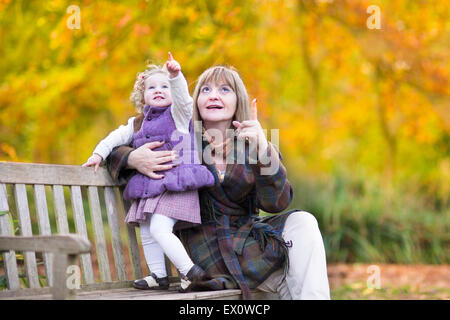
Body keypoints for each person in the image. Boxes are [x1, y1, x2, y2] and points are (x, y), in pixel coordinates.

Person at [106, 65, 331, 300]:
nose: (214, 95)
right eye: (205, 89)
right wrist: (132, 158)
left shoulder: (252, 143)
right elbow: (118, 144)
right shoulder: (179, 137)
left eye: (225, 89)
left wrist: (263, 148)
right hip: (209, 258)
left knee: (303, 222)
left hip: (255, 253)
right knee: (293, 286)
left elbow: (277, 203)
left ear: (238, 101)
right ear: (195, 101)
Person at [83, 53, 215, 292]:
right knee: (146, 228)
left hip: (177, 185)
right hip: (152, 189)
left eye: (165, 86)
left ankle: (191, 272)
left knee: (158, 228)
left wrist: (175, 77)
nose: (159, 90)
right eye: (152, 87)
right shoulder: (137, 123)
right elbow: (114, 138)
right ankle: (158, 275)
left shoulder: (179, 115)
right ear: (141, 95)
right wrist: (98, 154)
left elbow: (185, 100)